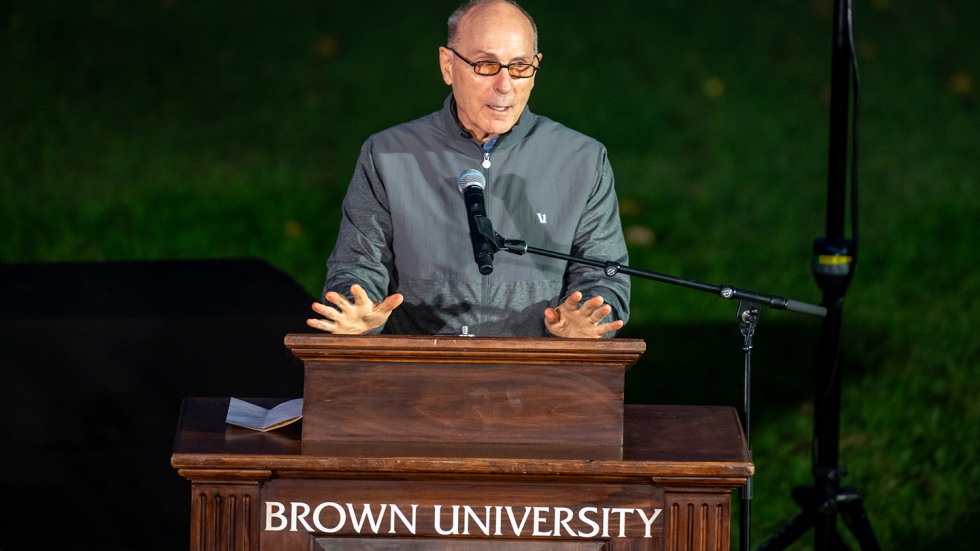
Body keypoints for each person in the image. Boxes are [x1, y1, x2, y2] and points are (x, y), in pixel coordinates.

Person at [307, 0, 630, 338]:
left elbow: (604, 276)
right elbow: (356, 267)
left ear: (536, 67)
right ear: (448, 66)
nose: (505, 85)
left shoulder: (582, 159)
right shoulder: (388, 154)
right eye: (486, 65)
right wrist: (356, 310)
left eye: (520, 66)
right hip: (417, 374)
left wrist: (590, 318)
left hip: (538, 378)